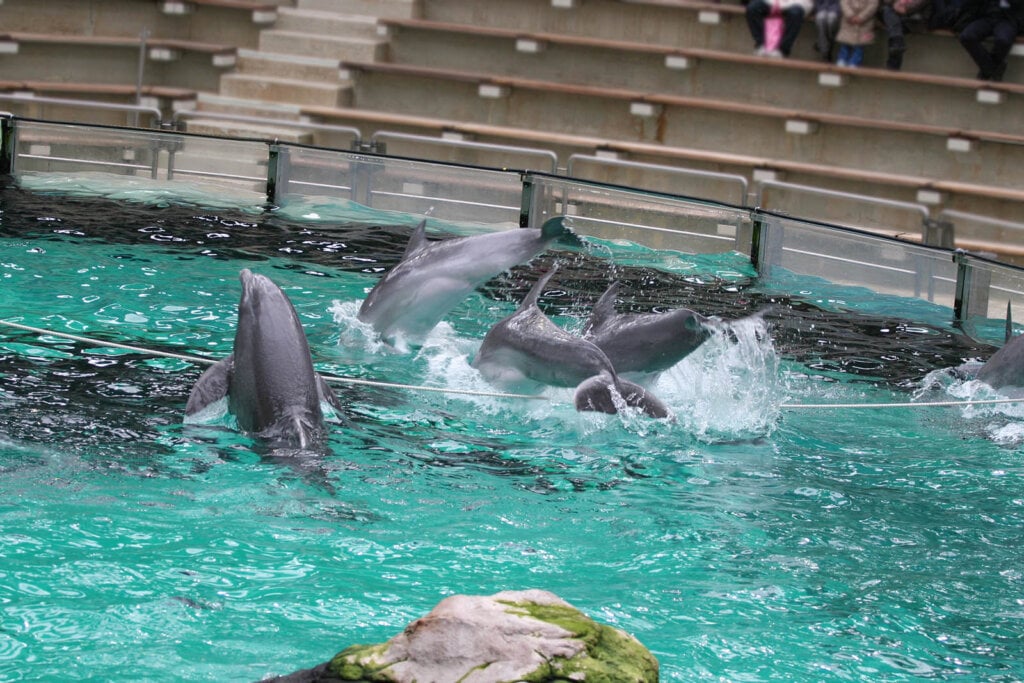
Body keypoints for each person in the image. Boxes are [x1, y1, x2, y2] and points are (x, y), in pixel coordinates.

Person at [957, 0, 1024, 80]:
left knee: (1003, 40)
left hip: (1007, 19)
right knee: (966, 36)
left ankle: (988, 70)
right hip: (986, 16)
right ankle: (991, 69)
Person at [745, 0, 815, 57]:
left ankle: (782, 50)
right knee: (753, 8)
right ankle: (762, 44)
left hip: (798, 2)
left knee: (795, 13)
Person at [877, 0, 932, 69]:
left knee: (894, 28)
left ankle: (894, 62)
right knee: (890, 15)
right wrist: (895, 3)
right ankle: (897, 44)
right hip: (894, 14)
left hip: (913, 19)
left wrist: (905, 8)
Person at [836, 0, 880, 66]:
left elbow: (872, 6)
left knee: (860, 45)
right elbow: (844, 3)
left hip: (865, 22)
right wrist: (850, 15)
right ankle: (842, 59)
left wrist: (861, 17)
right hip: (848, 20)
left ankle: (854, 62)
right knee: (845, 42)